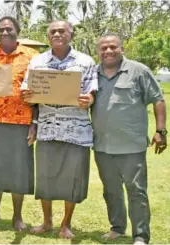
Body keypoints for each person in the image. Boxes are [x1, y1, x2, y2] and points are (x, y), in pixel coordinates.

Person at [19, 20, 97, 239]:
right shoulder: (37, 62)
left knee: (72, 179)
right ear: (48, 36)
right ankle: (47, 222)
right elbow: (28, 96)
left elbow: (92, 93)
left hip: (76, 130)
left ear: (71, 34)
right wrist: (27, 99)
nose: (57, 34)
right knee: (46, 177)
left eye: (62, 30)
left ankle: (66, 224)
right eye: (52, 31)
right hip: (47, 129)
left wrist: (87, 100)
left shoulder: (85, 61)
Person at [92, 33, 166, 245]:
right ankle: (117, 228)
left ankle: (141, 236)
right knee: (111, 191)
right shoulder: (92, 74)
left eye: (113, 47)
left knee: (137, 192)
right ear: (99, 51)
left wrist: (161, 131)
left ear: (121, 48)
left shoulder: (138, 71)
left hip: (131, 146)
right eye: (103, 48)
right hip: (103, 146)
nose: (108, 51)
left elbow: (158, 100)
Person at [0, 16, 39, 231]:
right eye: (1, 29)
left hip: (20, 122)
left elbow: (39, 93)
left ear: (17, 31)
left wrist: (35, 122)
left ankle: (17, 217)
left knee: (18, 171)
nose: (5, 33)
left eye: (9, 29)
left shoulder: (32, 57)